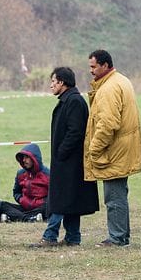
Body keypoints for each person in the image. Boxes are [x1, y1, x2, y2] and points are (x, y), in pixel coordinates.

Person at [84, 49, 141, 247]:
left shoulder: (108, 88)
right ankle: (122, 236)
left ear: (105, 65)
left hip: (115, 151)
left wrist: (94, 149)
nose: (91, 70)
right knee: (119, 194)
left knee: (113, 197)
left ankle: (117, 237)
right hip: (123, 149)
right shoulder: (121, 80)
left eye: (93, 66)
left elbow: (108, 124)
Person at [36, 67, 98, 247]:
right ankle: (73, 237)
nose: (51, 85)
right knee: (71, 201)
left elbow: (75, 131)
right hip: (66, 161)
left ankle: (50, 235)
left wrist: (61, 152)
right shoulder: (68, 100)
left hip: (70, 162)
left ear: (62, 82)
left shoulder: (74, 101)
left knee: (60, 200)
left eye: (53, 81)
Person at [0, 143, 50, 222]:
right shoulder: (20, 174)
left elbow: (54, 195)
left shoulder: (48, 175)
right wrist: (21, 200)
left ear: (34, 158)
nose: (24, 160)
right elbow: (16, 192)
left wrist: (42, 202)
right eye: (23, 157)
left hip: (41, 207)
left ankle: (15, 216)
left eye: (27, 157)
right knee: (2, 205)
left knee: (49, 206)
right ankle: (30, 218)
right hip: (25, 207)